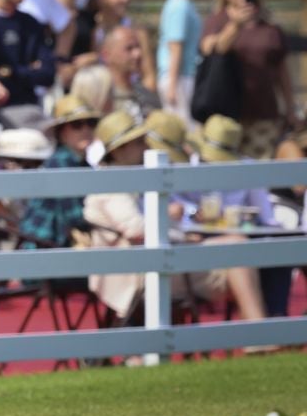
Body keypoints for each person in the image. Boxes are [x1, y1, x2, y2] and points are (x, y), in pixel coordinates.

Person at [81, 111, 269, 326]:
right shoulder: (113, 183)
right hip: (138, 270)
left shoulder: (126, 178)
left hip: (150, 260)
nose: (147, 146)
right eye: (140, 142)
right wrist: (172, 221)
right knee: (238, 253)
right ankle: (259, 330)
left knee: (237, 248)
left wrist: (179, 233)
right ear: (120, 148)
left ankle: (257, 330)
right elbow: (136, 230)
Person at [199, 0, 297, 157]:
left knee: (259, 177)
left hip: (263, 115)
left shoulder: (269, 27)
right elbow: (212, 49)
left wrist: (290, 109)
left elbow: (282, 72)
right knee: (226, 178)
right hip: (224, 118)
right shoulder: (216, 21)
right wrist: (235, 25)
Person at [17, 95, 100, 246]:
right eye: (77, 125)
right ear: (61, 132)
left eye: (91, 123)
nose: (86, 129)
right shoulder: (60, 161)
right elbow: (74, 214)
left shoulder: (81, 163)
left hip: (53, 243)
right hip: (43, 245)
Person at [156, 0, 207, 120]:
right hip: (179, 77)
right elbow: (175, 46)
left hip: (181, 75)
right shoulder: (179, 6)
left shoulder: (185, 4)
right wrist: (172, 85)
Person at [101, 25, 162, 114]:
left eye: (138, 47)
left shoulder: (144, 95)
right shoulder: (101, 97)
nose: (138, 53)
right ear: (106, 55)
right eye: (129, 48)